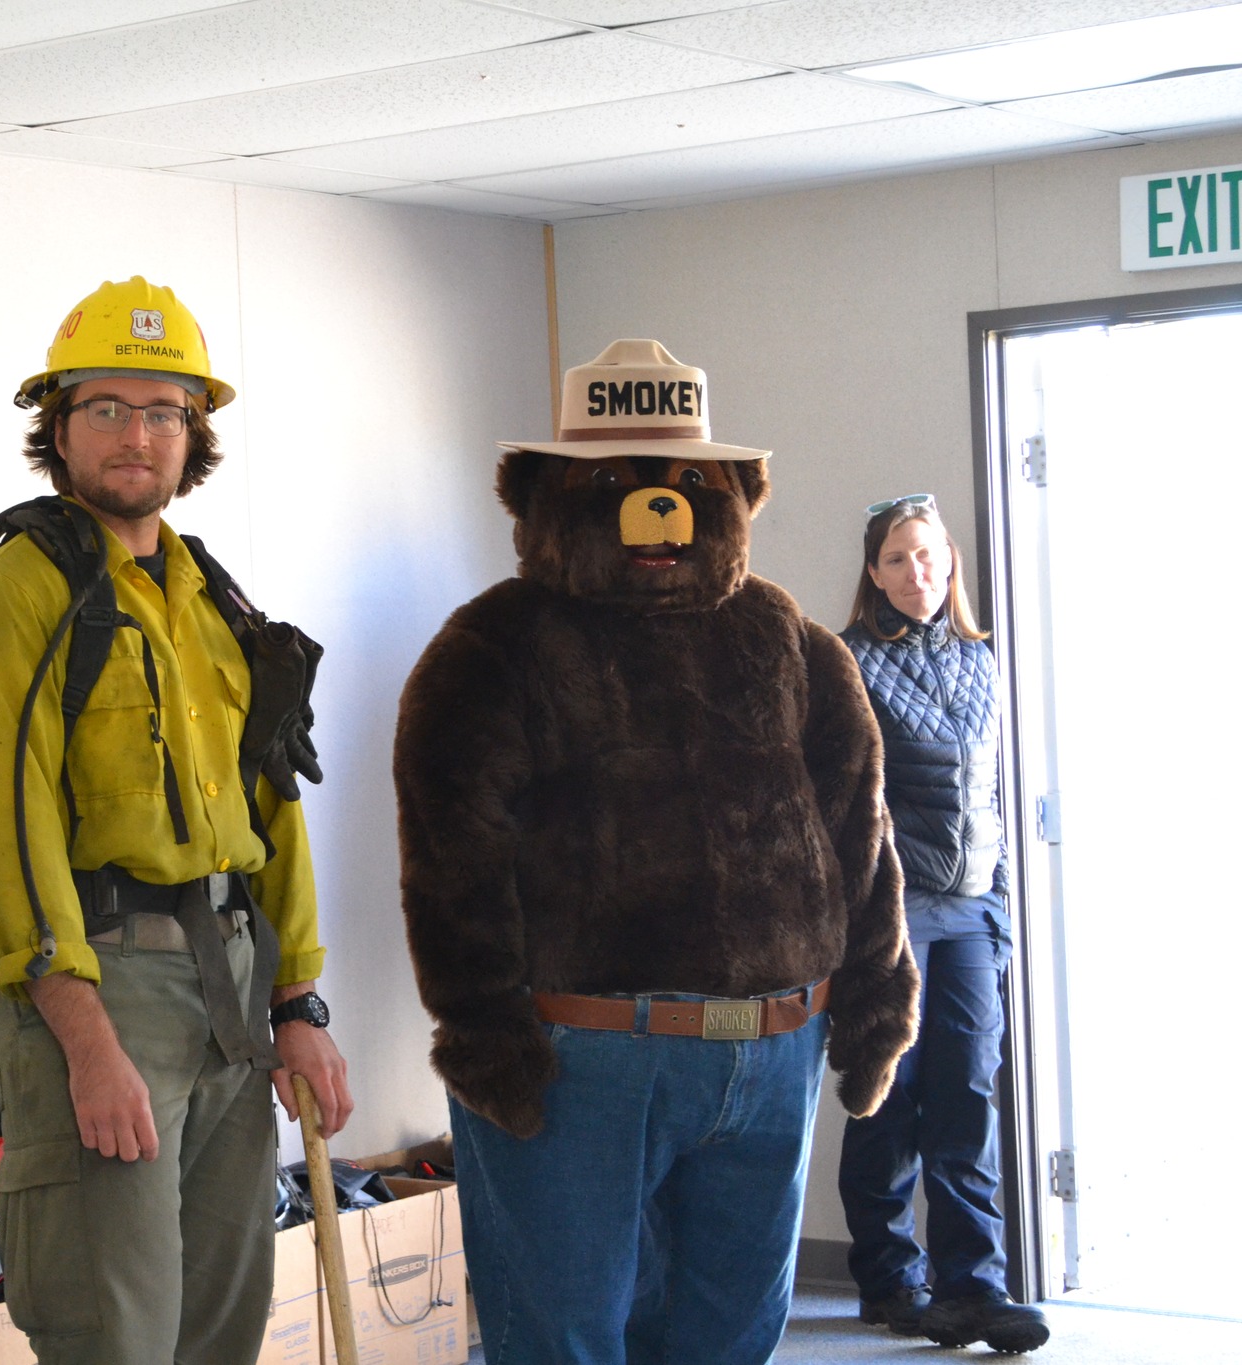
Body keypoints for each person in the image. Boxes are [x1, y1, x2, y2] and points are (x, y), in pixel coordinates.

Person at [395, 339, 919, 1364]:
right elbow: (451, 864)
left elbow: (860, 835)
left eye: (684, 482)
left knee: (731, 1336)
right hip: (578, 1057)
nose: (654, 506)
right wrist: (484, 1037)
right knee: (563, 1337)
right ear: (546, 496)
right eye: (613, 481)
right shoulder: (491, 648)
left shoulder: (793, 642)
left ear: (730, 496)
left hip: (773, 1051)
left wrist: (873, 1003)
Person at [0, 276, 353, 1365]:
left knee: (221, 1329)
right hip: (100, 992)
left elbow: (273, 811)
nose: (136, 435)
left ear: (193, 435)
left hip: (232, 996)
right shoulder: (15, 595)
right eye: (105, 409)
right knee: (113, 1336)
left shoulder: (213, 599)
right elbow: (3, 832)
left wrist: (299, 1000)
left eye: (163, 410)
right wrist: (81, 1038)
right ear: (57, 429)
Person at [837, 494, 1050, 1354]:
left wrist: (996, 895)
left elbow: (992, 789)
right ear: (873, 573)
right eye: (895, 558)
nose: (914, 572)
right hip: (891, 910)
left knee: (966, 1094)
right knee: (889, 1096)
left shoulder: (983, 660)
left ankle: (975, 1287)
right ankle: (891, 1277)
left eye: (927, 555)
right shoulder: (846, 661)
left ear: (949, 560)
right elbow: (839, 799)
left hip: (971, 911)